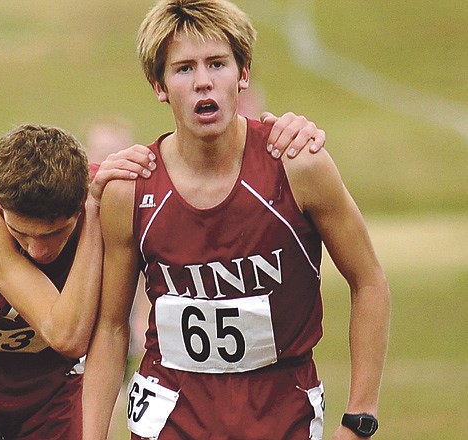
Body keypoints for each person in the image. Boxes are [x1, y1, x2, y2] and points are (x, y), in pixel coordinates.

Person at [0, 119, 324, 439]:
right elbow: (64, 332)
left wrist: (282, 130)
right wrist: (90, 213)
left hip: (50, 386)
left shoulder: (106, 192)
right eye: (21, 235)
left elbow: (198, 172)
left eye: (54, 234)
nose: (38, 251)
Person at [82, 1, 390, 439]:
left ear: (243, 74)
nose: (204, 82)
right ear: (159, 84)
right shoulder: (130, 189)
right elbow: (112, 328)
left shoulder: (298, 166)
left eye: (217, 64)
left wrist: (359, 421)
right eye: (184, 68)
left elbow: (369, 281)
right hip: (169, 414)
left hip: (281, 413)